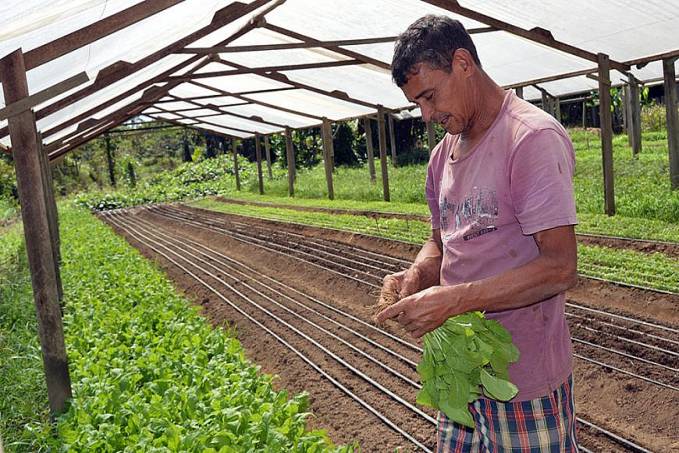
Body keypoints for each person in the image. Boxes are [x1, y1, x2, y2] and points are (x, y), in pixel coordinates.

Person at [375, 15, 580, 452]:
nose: (428, 115)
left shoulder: (530, 139)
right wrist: (417, 274)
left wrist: (454, 300)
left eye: (430, 96)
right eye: (418, 104)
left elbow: (560, 268)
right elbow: (440, 240)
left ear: (463, 63)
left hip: (524, 383)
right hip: (461, 378)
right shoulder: (440, 157)